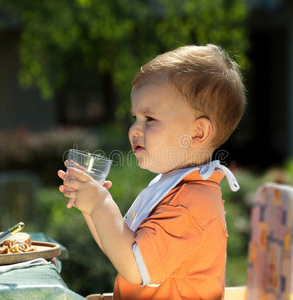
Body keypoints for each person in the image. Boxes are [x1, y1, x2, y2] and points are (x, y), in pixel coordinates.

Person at [58, 44, 246, 299]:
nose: (134, 129)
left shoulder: (192, 206)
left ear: (198, 132)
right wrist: (91, 207)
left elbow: (134, 268)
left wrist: (102, 203)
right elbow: (121, 252)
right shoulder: (174, 188)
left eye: (150, 119)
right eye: (135, 117)